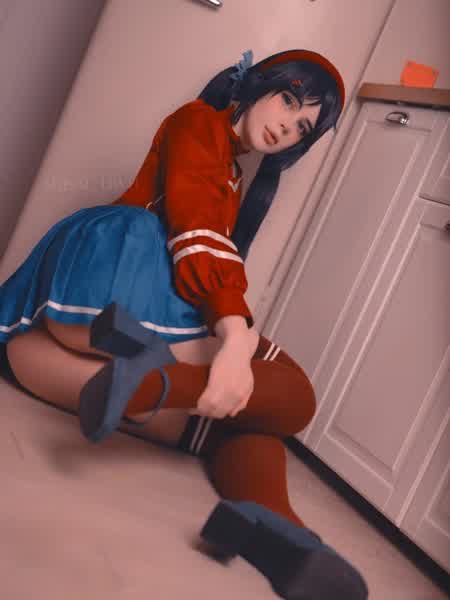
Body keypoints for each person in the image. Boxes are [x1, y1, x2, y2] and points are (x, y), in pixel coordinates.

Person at [0, 49, 367, 598]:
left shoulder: (232, 171)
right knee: (294, 393)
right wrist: (235, 336)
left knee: (247, 419)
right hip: (112, 279)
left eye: (302, 128)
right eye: (289, 101)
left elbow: (203, 239)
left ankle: (276, 529)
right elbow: (196, 227)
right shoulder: (198, 122)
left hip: (54, 346)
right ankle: (158, 383)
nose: (287, 126)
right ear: (258, 85)